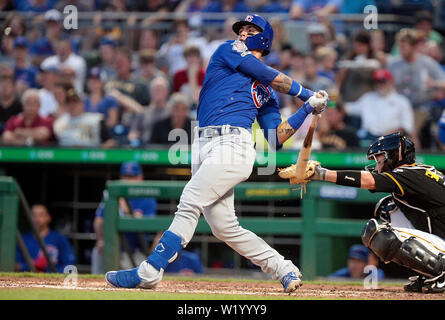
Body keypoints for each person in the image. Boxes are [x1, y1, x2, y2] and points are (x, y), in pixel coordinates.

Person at [105, 14, 328, 293]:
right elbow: (267, 74)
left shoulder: (267, 92)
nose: (242, 34)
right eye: (242, 30)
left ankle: (150, 270)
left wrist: (307, 110)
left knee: (189, 200)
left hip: (233, 146)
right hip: (202, 144)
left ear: (264, 38)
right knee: (225, 228)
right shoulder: (229, 50)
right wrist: (307, 94)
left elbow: (275, 138)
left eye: (250, 30)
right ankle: (284, 268)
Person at [282, 132, 445, 293]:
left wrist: (320, 173)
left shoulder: (410, 174)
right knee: (387, 208)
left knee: (382, 235)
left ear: (394, 156)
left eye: (379, 159)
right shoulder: (418, 172)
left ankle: (442, 272)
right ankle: (431, 272)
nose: (377, 165)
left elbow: (368, 181)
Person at [91, 161, 157, 274]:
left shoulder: (147, 196)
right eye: (125, 176)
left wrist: (125, 210)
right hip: (113, 247)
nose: (128, 180)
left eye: (132, 177)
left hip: (136, 249)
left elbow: (145, 225)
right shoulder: (112, 194)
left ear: (140, 177)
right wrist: (101, 239)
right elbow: (99, 220)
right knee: (98, 251)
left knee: (139, 280)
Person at [344, 69, 414, 142]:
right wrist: (332, 101)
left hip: (390, 138)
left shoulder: (401, 101)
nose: (379, 85)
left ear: (391, 82)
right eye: (377, 82)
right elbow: (348, 109)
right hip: (367, 137)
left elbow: (407, 126)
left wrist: (387, 135)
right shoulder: (367, 97)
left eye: (382, 81)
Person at [15, 204, 76, 273]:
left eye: (41, 215)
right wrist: (32, 264)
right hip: (28, 280)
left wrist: (51, 274)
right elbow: (14, 265)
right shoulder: (23, 239)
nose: (37, 219)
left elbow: (69, 264)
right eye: (34, 215)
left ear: (48, 217)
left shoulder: (60, 239)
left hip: (53, 280)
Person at [53, 83, 115, 147]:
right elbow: (53, 145)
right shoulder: (59, 122)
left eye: (75, 101)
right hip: (65, 155)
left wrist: (101, 151)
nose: (73, 105)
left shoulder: (96, 120)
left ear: (82, 103)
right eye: (69, 102)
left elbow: (109, 141)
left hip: (91, 154)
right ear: (66, 105)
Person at [0, 68, 22, 134]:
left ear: (14, 87)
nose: (5, 87)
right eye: (2, 84)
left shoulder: (20, 106)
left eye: (8, 84)